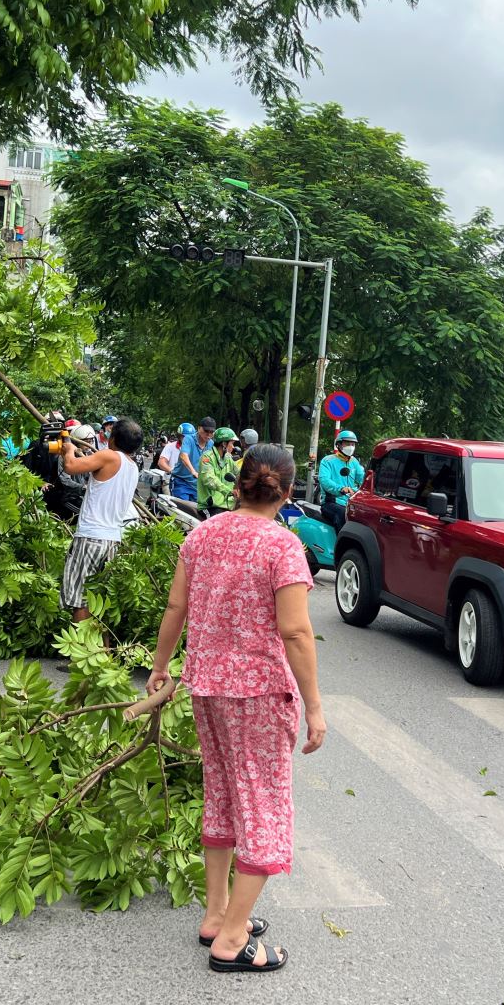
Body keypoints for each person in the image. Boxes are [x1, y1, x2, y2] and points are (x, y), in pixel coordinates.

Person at [147, 444, 326, 974]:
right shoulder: (284, 547)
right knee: (264, 806)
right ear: (288, 492)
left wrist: (161, 667)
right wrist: (315, 708)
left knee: (223, 793)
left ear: (236, 483)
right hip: (258, 695)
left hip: (207, 687)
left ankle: (217, 914)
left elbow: (176, 606)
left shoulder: (201, 534)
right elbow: (295, 631)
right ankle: (230, 941)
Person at [59, 417, 143, 621]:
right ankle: (101, 651)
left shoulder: (109, 456)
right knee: (98, 601)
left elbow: (70, 466)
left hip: (90, 537)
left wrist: (68, 448)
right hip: (112, 540)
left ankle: (81, 651)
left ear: (112, 438)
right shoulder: (133, 467)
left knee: (80, 599)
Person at [317, 430, 365, 531]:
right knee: (343, 514)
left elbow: (363, 478)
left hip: (350, 503)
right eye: (347, 443)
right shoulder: (328, 461)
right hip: (331, 502)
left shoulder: (354, 462)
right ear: (338, 444)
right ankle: (342, 545)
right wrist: (342, 488)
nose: (351, 447)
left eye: (353, 444)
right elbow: (325, 480)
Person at [198, 427, 240, 514]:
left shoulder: (228, 458)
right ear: (224, 444)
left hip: (227, 505)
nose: (233, 447)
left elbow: (239, 473)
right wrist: (229, 491)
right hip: (210, 506)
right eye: (231, 444)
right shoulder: (207, 457)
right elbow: (209, 479)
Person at [175, 416, 214, 504]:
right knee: (182, 509)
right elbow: (183, 455)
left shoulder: (211, 444)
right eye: (206, 431)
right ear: (199, 428)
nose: (208, 435)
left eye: (211, 432)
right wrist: (193, 471)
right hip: (182, 482)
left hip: (198, 486)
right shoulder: (189, 439)